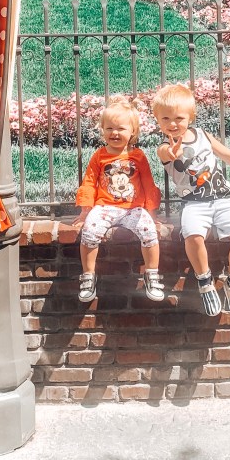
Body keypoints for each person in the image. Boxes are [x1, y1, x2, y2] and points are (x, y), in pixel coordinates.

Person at [150, 83, 230, 319]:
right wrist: (173, 153)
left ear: (190, 117)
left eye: (179, 118)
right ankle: (205, 281)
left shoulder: (202, 135)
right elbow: (167, 155)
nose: (172, 124)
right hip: (194, 203)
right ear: (157, 120)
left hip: (223, 198)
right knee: (193, 236)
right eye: (165, 118)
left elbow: (226, 154)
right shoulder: (164, 147)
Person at [73, 96, 165, 304]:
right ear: (102, 130)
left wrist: (151, 212)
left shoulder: (138, 156)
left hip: (133, 208)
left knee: (149, 232)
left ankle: (152, 274)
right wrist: (85, 211)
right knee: (89, 232)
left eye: (120, 129)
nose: (114, 133)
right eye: (109, 128)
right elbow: (89, 182)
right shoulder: (99, 156)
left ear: (133, 131)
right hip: (104, 207)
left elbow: (148, 184)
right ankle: (88, 276)